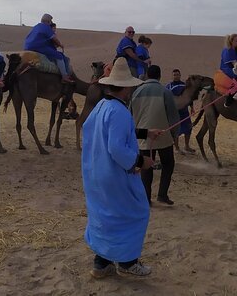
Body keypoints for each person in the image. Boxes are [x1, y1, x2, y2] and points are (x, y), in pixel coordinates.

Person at [82, 57, 159, 278]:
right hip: (114, 176)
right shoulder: (119, 111)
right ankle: (127, 262)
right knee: (135, 213)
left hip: (96, 174)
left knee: (107, 216)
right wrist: (140, 162)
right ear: (126, 87)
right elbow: (116, 147)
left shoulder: (101, 107)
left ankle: (101, 263)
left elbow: (109, 133)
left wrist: (145, 133)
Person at [130, 64, 180, 206]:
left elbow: (130, 114)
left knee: (145, 167)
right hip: (163, 136)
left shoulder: (136, 92)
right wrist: (175, 134)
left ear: (146, 75)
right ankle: (162, 195)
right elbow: (173, 116)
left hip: (143, 136)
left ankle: (146, 198)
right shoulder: (165, 92)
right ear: (159, 76)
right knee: (168, 164)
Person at [23, 13, 73, 83]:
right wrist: (60, 45)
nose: (51, 23)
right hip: (38, 47)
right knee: (59, 56)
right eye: (51, 21)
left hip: (27, 46)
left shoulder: (36, 26)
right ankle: (64, 76)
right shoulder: (46, 27)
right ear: (48, 21)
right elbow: (54, 39)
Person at [166, 68, 195, 154]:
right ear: (172, 76)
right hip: (175, 112)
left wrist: (192, 107)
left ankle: (187, 146)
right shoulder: (169, 86)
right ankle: (177, 148)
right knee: (176, 130)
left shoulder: (185, 85)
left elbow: (189, 97)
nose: (176, 76)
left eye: (177, 75)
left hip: (185, 111)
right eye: (174, 75)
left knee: (189, 127)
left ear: (180, 75)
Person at [218, 33, 237, 106]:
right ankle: (230, 97)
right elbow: (235, 65)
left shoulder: (236, 49)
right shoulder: (228, 50)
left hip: (233, 67)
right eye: (236, 41)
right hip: (227, 68)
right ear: (231, 41)